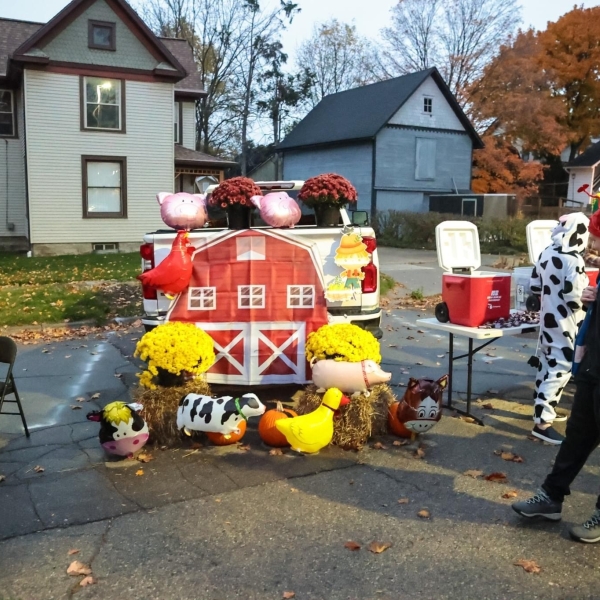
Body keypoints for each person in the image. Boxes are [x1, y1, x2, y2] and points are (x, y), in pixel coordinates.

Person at [512, 209, 600, 543]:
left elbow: (536, 284)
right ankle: (551, 495)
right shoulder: (573, 260)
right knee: (577, 435)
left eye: (596, 234)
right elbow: (578, 295)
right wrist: (591, 297)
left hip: (561, 333)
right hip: (586, 351)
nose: (592, 241)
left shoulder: (553, 254)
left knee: (552, 371)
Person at [528, 213, 590, 444]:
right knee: (561, 369)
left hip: (548, 321)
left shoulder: (547, 251)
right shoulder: (574, 260)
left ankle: (541, 410)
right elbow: (575, 299)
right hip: (567, 324)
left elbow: (534, 285)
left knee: (547, 364)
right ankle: (542, 423)